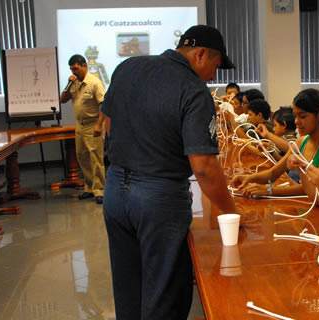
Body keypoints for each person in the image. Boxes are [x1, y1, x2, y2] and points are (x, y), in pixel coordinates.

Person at [101, 25, 237, 320]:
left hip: (114, 190)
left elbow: (107, 124)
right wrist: (230, 210)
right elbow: (204, 167)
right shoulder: (193, 91)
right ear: (200, 54)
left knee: (128, 285)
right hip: (158, 198)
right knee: (164, 292)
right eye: (215, 65)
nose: (214, 75)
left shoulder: (128, 67)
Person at [232, 88, 319, 197]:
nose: (296, 121)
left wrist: (270, 190)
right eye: (295, 116)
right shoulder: (301, 141)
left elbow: (313, 188)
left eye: (302, 116)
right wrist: (248, 178)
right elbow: (273, 173)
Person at [60, 54, 106, 204]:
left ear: (84, 65)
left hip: (93, 125)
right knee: (82, 157)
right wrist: (68, 84)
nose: (74, 72)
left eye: (76, 69)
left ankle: (100, 190)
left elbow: (103, 105)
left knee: (95, 158)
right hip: (79, 125)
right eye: (71, 69)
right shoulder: (73, 82)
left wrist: (99, 125)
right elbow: (63, 99)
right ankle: (89, 188)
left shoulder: (94, 83)